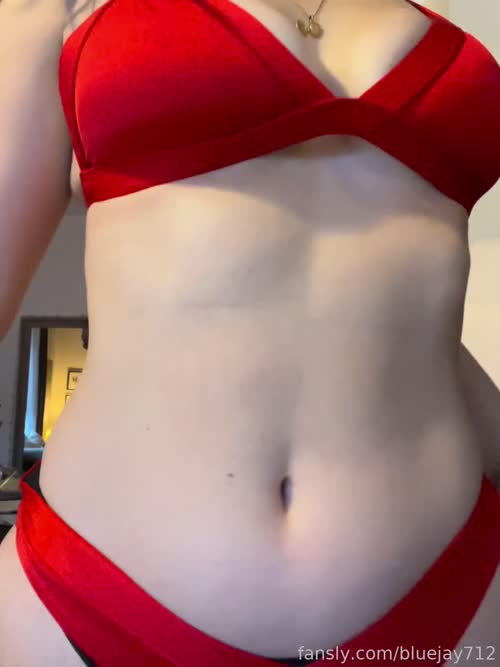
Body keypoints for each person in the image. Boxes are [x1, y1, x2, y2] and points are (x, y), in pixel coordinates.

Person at [0, 0, 499, 665]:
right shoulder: (62, 8)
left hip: (449, 587)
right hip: (95, 600)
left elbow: (393, 312)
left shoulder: (434, 26)